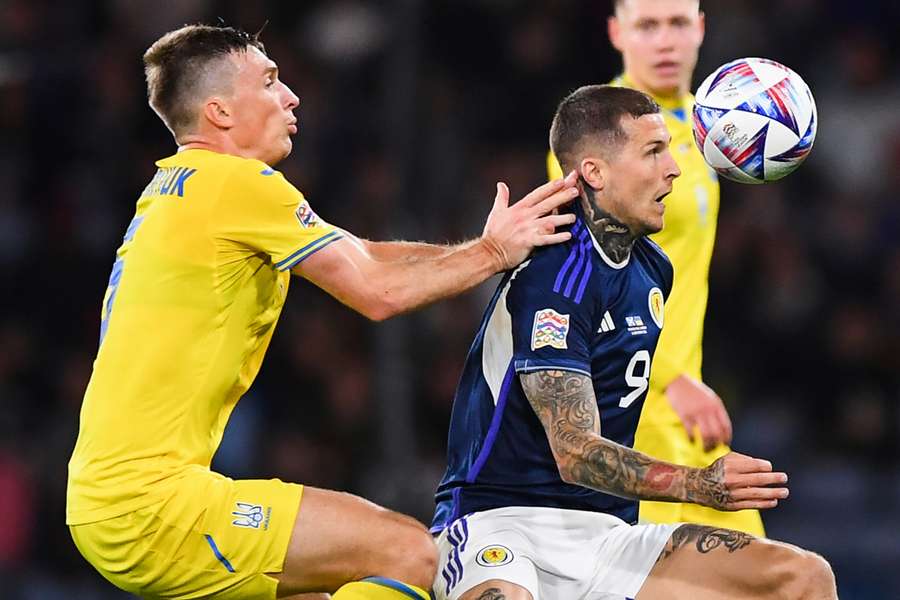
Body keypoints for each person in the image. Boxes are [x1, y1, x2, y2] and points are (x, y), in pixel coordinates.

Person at [65, 24, 580, 600]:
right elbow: (377, 291)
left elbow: (363, 254)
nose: (291, 95)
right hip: (152, 505)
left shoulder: (179, 187)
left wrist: (482, 245)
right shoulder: (239, 184)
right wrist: (491, 254)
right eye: (269, 81)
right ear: (221, 112)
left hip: (116, 500)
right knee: (407, 553)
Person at [431, 85, 836, 600]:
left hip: (606, 535)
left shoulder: (652, 270)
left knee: (803, 578)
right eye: (653, 152)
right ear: (595, 173)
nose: (674, 168)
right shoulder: (554, 272)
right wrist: (701, 485)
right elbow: (574, 453)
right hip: (501, 524)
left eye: (669, 148)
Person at [547, 0, 765, 536]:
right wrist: (671, 380)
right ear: (617, 32)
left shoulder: (709, 127)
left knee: (778, 583)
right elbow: (595, 276)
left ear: (701, 29)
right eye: (647, 26)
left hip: (683, 405)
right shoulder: (600, 136)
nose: (664, 42)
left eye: (677, 24)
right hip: (633, 403)